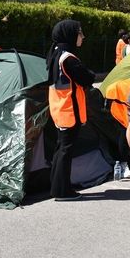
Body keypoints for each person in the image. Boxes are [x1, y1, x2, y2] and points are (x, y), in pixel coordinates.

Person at [47, 19, 95, 201]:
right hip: (69, 111)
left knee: (61, 149)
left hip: (60, 110)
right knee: (65, 151)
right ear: (70, 35)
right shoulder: (68, 58)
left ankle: (58, 186)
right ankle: (62, 191)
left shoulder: (55, 54)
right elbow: (86, 78)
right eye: (80, 33)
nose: (82, 36)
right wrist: (89, 74)